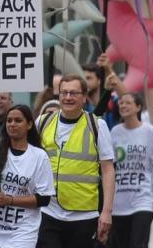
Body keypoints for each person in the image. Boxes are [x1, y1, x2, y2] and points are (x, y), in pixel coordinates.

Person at [37, 74, 116, 247]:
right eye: (64, 93)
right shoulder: (42, 122)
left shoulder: (96, 125)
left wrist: (107, 212)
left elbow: (108, 169)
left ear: (84, 97)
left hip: (84, 215)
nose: (67, 97)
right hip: (48, 212)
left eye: (73, 93)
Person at [0, 95, 55, 248]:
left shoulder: (39, 156)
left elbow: (44, 199)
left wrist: (10, 200)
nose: (12, 124)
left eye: (18, 121)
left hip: (22, 232)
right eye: (9, 120)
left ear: (29, 125)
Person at [109, 92, 153, 248]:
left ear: (138, 107)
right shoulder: (114, 132)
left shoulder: (149, 132)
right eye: (121, 103)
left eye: (128, 103)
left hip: (143, 200)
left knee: (138, 243)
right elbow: (110, 169)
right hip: (119, 202)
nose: (123, 105)